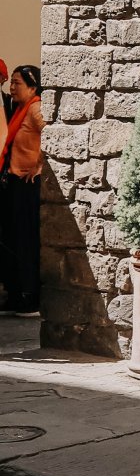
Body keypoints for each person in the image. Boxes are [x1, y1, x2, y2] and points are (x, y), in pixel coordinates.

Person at [0, 66, 44, 317]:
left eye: (17, 83)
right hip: (16, 181)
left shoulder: (35, 108)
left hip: (28, 184)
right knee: (13, 239)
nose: (12, 87)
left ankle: (30, 296)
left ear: (32, 87)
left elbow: (50, 134)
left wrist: (39, 166)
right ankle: (16, 294)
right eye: (12, 82)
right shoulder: (19, 110)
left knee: (26, 240)